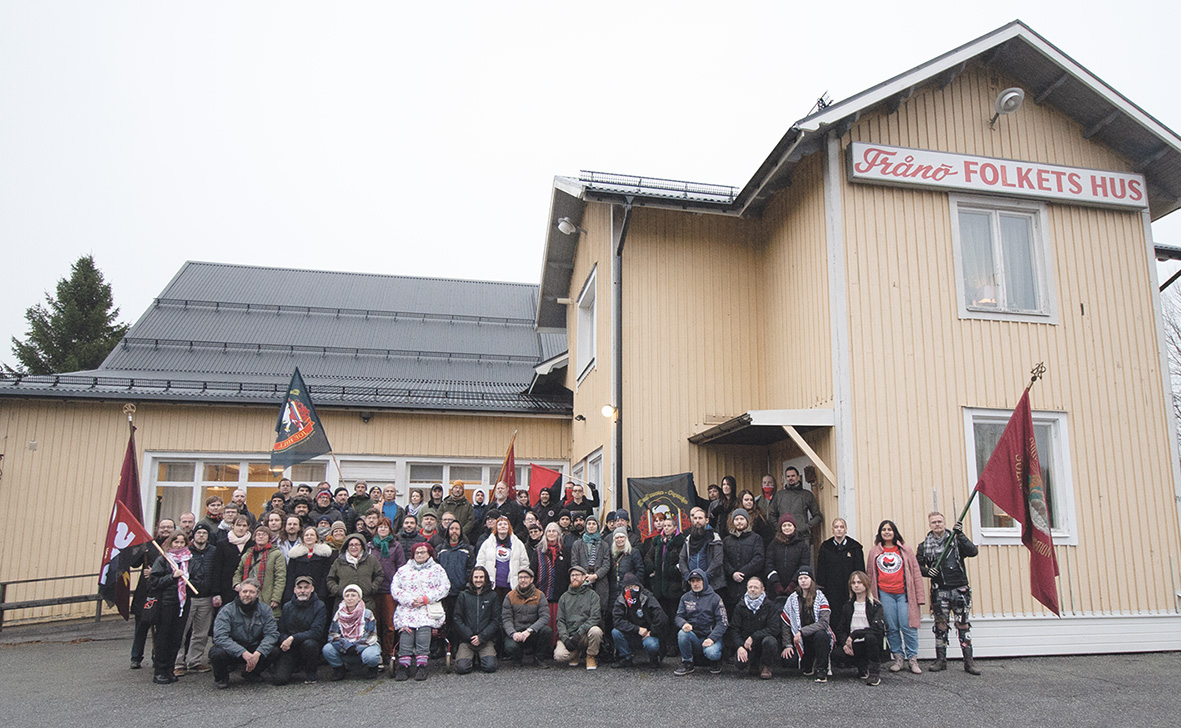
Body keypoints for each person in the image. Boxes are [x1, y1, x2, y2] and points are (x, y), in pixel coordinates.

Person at [916, 511, 981, 674]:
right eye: (934, 522)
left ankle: (969, 662)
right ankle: (940, 660)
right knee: (940, 626)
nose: (937, 524)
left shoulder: (956, 541)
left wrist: (961, 534)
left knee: (963, 625)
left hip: (960, 589)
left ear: (944, 523)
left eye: (939, 521)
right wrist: (927, 571)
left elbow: (973, 551)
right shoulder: (924, 546)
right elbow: (917, 566)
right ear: (929, 525)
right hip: (939, 591)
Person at [866, 519, 925, 674]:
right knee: (891, 627)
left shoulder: (905, 550)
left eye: (889, 529)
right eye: (884, 529)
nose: (886, 532)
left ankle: (913, 659)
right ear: (880, 533)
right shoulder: (874, 551)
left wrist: (920, 596)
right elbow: (870, 575)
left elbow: (916, 573)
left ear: (894, 532)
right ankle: (898, 658)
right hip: (885, 594)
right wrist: (871, 597)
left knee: (908, 626)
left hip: (904, 594)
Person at [389, 542, 451, 681]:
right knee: (407, 632)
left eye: (423, 552)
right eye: (417, 552)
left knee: (423, 629)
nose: (420, 555)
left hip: (427, 607)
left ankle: (421, 665)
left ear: (429, 554)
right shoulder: (403, 570)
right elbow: (395, 588)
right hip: (408, 607)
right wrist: (410, 600)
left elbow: (445, 587)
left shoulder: (437, 569)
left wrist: (426, 598)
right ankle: (404, 666)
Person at [210, 577, 279, 689]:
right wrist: (242, 652)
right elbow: (220, 637)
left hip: (253, 648)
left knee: (274, 650)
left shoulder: (265, 610)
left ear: (257, 594)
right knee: (216, 652)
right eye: (244, 591)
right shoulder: (227, 610)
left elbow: (272, 634)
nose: (247, 594)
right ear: (239, 592)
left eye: (251, 592)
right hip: (233, 650)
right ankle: (222, 678)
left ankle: (252, 673)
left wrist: (258, 652)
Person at [148, 530, 194, 684]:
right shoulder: (163, 560)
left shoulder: (190, 560)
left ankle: (169, 668)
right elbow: (154, 582)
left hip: (183, 603)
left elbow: (198, 579)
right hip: (166, 603)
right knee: (164, 637)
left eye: (182, 542)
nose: (179, 545)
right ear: (170, 543)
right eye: (176, 542)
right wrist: (171, 577)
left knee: (176, 637)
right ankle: (159, 670)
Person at [174, 523, 217, 676]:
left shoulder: (213, 551)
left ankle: (195, 660)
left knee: (201, 632)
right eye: (199, 533)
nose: (201, 536)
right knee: (182, 631)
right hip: (188, 597)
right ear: (193, 535)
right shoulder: (186, 552)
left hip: (206, 597)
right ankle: (178, 662)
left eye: (204, 533)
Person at [781, 565, 834, 682]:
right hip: (799, 639)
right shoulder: (792, 598)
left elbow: (824, 623)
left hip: (814, 635)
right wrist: (787, 645)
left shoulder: (820, 597)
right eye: (801, 579)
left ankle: (821, 670)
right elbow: (785, 622)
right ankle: (808, 664)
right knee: (789, 661)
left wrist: (802, 632)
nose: (803, 581)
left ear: (811, 580)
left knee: (822, 635)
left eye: (806, 578)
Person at [273, 575, 328, 685]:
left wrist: (293, 638)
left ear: (312, 589)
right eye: (299, 588)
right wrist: (285, 640)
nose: (303, 591)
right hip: (290, 647)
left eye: (306, 587)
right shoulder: (287, 606)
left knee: (310, 644)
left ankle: (311, 672)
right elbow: (281, 629)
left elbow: (316, 632)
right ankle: (293, 667)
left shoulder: (320, 606)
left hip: (308, 644)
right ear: (294, 590)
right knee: (279, 680)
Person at [834, 570, 886, 686]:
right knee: (836, 654)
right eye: (853, 583)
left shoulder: (875, 605)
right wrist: (844, 644)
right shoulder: (847, 606)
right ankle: (861, 665)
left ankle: (874, 673)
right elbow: (840, 629)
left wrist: (854, 635)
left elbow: (877, 629)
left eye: (859, 582)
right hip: (853, 644)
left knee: (870, 637)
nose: (856, 585)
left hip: (871, 643)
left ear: (866, 584)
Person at [322, 584, 381, 680]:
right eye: (347, 595)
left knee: (371, 656)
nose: (350, 598)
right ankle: (339, 669)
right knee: (327, 649)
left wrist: (356, 646)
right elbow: (333, 634)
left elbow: (371, 635)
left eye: (353, 595)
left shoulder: (367, 613)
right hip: (345, 647)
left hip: (364, 646)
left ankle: (372, 668)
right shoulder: (339, 613)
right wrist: (347, 646)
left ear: (359, 598)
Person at [674, 568, 726, 676]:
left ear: (704, 581)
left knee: (712, 653)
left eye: (698, 580)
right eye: (692, 581)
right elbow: (678, 616)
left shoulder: (715, 598)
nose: (695, 584)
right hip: (694, 637)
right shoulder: (685, 597)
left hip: (710, 637)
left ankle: (715, 662)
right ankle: (687, 663)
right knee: (682, 634)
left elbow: (723, 622)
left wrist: (712, 638)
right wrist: (684, 623)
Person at [646, 516, 685, 656]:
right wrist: (654, 568)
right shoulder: (657, 541)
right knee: (661, 617)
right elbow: (648, 557)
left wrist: (672, 569)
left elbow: (683, 560)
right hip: (659, 586)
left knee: (674, 616)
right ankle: (663, 645)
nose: (666, 528)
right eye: (665, 526)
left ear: (675, 527)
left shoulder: (680, 542)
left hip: (673, 587)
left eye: (669, 526)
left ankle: (674, 645)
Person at [726, 575, 780, 679]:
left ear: (762, 589)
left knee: (770, 641)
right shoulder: (740, 606)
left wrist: (753, 637)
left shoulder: (770, 606)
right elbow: (734, 629)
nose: (753, 590)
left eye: (756, 587)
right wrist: (740, 647)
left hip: (763, 641)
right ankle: (753, 664)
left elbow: (774, 628)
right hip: (747, 644)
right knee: (740, 664)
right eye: (750, 587)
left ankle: (766, 666)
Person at [816, 517, 866, 627]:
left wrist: (859, 586)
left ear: (846, 529)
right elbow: (821, 569)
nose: (839, 529)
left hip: (850, 589)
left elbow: (860, 570)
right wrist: (822, 587)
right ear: (832, 529)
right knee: (834, 615)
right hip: (832, 589)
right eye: (836, 527)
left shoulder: (854, 547)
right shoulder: (826, 547)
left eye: (841, 527)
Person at [370, 517, 406, 665]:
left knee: (389, 624)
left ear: (390, 529)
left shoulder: (396, 546)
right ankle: (375, 651)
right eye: (380, 527)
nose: (383, 529)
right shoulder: (370, 546)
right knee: (375, 623)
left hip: (390, 590)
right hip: (373, 589)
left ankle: (388, 652)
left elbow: (401, 567)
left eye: (385, 527)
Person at [611, 573, 667, 668]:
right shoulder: (621, 599)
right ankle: (626, 658)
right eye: (628, 587)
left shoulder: (647, 596)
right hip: (631, 632)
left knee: (651, 645)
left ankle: (654, 659)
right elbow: (617, 620)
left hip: (648, 634)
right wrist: (637, 629)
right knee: (616, 632)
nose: (631, 590)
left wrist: (652, 631)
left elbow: (661, 617)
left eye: (634, 586)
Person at [453, 566, 501, 674]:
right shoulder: (463, 595)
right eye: (476, 577)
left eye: (481, 577)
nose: (478, 580)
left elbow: (496, 620)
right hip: (467, 640)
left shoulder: (492, 596)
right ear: (471, 578)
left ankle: (481, 657)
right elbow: (457, 618)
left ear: (486, 579)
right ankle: (471, 657)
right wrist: (469, 635)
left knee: (490, 667)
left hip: (485, 639)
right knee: (462, 669)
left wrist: (482, 637)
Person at [554, 565, 602, 670]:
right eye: (572, 575)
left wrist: (579, 633)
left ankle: (590, 656)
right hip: (570, 636)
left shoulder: (593, 595)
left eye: (577, 575)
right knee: (559, 656)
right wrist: (565, 639)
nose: (574, 577)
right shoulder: (564, 597)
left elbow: (595, 617)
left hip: (585, 634)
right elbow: (560, 620)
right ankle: (575, 653)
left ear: (584, 577)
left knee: (596, 631)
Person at [233, 526, 286, 616]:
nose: (261, 537)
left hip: (267, 597)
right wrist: (237, 583)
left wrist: (276, 598)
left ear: (269, 538)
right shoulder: (247, 555)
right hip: (248, 597)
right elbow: (238, 572)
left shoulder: (276, 554)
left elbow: (280, 577)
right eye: (258, 535)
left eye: (264, 535)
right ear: (254, 538)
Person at [502, 567, 551, 666]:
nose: (523, 580)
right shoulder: (510, 596)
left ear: (531, 579)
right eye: (520, 577)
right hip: (516, 632)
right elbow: (506, 619)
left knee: (547, 631)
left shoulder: (540, 595)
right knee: (510, 646)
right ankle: (517, 658)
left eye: (526, 577)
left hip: (532, 632)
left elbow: (545, 617)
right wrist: (513, 633)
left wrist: (530, 630)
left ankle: (538, 657)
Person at [327, 532, 385, 613]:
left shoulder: (371, 560)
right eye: (351, 545)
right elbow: (330, 579)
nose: (354, 547)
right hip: (343, 603)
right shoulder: (339, 561)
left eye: (357, 544)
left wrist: (372, 588)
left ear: (362, 546)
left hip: (366, 602)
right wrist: (337, 590)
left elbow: (380, 575)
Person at [476, 515, 530, 600]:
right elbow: (480, 562)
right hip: (493, 585)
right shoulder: (487, 543)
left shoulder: (518, 544)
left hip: (511, 586)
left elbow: (524, 563)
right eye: (500, 524)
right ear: (496, 528)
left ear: (509, 527)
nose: (503, 526)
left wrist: (520, 580)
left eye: (505, 524)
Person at [722, 508, 765, 613]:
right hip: (731, 585)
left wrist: (743, 572)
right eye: (736, 519)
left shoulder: (756, 538)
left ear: (747, 521)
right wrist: (733, 573)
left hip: (749, 582)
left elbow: (759, 558)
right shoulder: (727, 540)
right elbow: (723, 560)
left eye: (742, 519)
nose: (739, 521)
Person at [535, 522, 569, 647]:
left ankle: (558, 646)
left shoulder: (565, 551)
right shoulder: (539, 551)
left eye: (554, 531)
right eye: (549, 531)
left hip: (560, 594)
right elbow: (534, 571)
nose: (551, 534)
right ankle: (544, 649)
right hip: (543, 594)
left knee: (558, 621)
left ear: (559, 534)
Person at [571, 514, 612, 618]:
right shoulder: (577, 544)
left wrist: (596, 576)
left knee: (599, 610)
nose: (591, 526)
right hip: (582, 579)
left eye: (594, 524)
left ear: (598, 526)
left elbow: (607, 564)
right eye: (589, 524)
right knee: (582, 610)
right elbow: (574, 562)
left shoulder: (604, 545)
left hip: (600, 580)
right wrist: (584, 575)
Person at [769, 467, 823, 543]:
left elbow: (818, 516)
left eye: (793, 476)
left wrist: (806, 527)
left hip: (802, 537)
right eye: (788, 476)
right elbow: (771, 514)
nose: (790, 478)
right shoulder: (779, 495)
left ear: (798, 477)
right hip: (783, 538)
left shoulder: (807, 495)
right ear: (785, 478)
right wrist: (779, 527)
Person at [436, 520, 474, 628]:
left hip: (460, 591)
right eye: (452, 529)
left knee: (459, 620)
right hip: (444, 593)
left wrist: (465, 583)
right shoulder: (440, 549)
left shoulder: (467, 549)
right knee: (445, 621)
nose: (454, 531)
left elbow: (470, 568)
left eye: (457, 529)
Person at [284, 526, 334, 606]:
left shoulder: (324, 555)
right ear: (303, 538)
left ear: (316, 538)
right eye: (307, 535)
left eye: (312, 535)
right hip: (299, 593)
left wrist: (322, 594)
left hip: (318, 593)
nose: (309, 537)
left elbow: (325, 576)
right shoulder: (295, 555)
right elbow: (290, 576)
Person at [765, 514, 811, 599]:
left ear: (794, 527)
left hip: (796, 587)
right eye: (784, 525)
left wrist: (793, 584)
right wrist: (776, 583)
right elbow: (769, 564)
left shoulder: (802, 545)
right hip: (775, 589)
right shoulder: (773, 544)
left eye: (789, 525)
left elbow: (804, 565)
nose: (787, 528)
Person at [678, 507, 724, 587]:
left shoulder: (714, 537)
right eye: (695, 518)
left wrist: (705, 576)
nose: (697, 521)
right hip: (692, 582)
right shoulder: (689, 538)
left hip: (711, 583)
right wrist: (687, 575)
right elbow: (682, 558)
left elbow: (717, 560)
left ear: (707, 520)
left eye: (700, 518)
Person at [212, 515, 251, 607]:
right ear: (232, 526)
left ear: (248, 527)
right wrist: (216, 592)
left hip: (247, 588)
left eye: (244, 526)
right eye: (238, 525)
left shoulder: (252, 544)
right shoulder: (222, 544)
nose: (241, 528)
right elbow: (217, 568)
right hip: (226, 589)